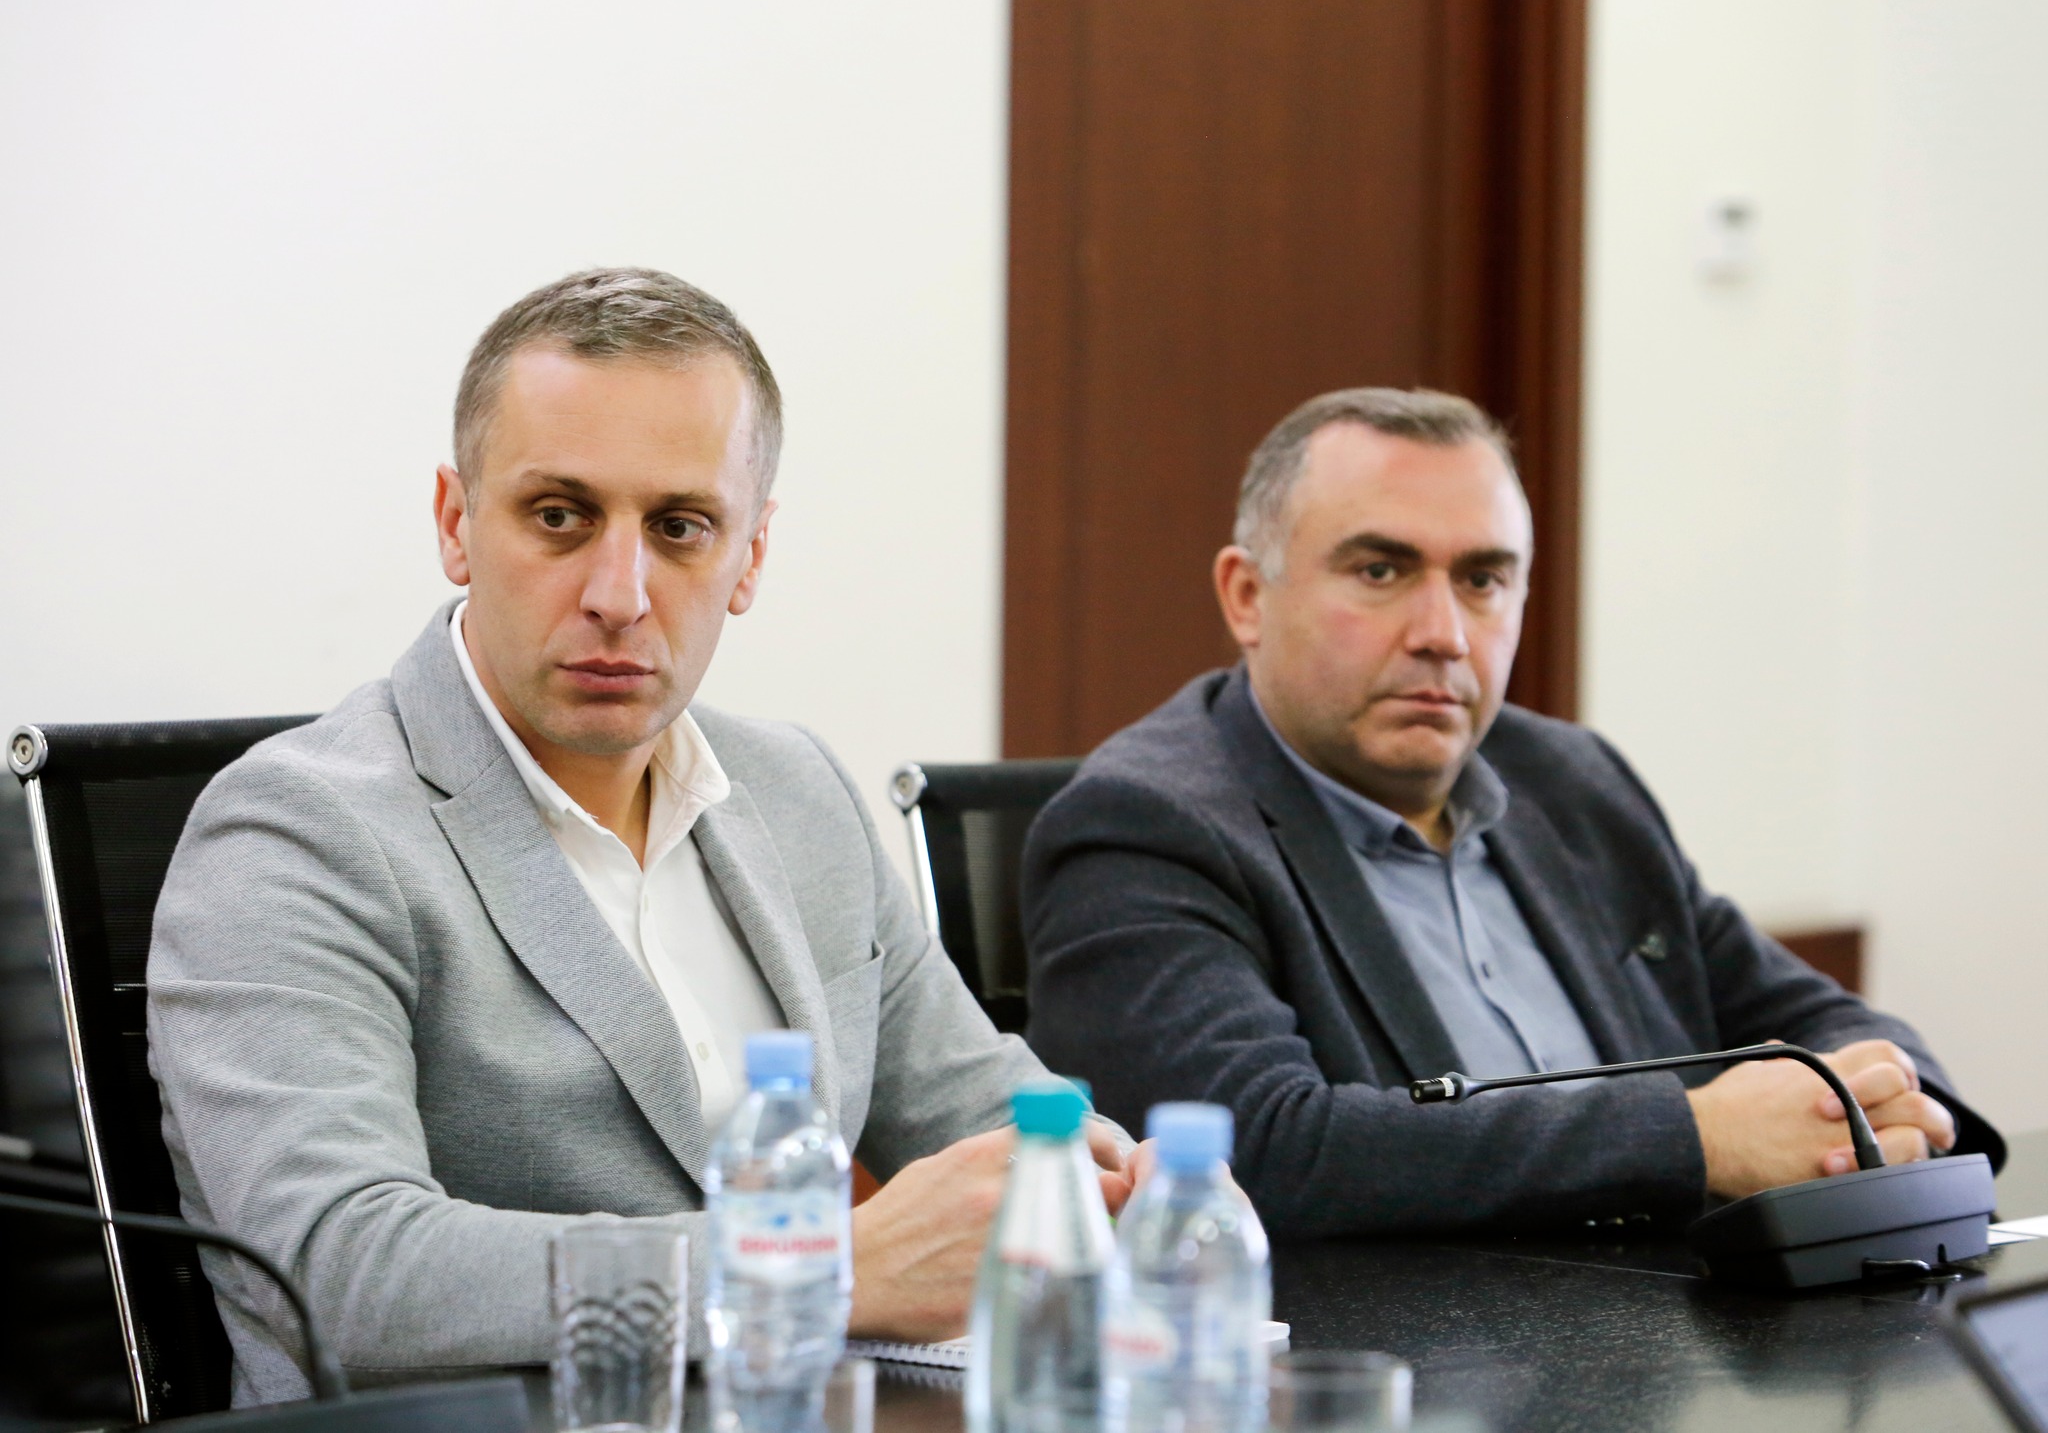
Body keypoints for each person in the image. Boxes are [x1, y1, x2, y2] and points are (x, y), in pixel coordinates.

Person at [148, 268, 1137, 1405]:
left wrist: (1120, 1187)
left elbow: (990, 1113)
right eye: (558, 516)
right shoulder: (294, 832)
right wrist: (815, 1270)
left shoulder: (798, 790)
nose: (618, 593)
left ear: (749, 557)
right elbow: (344, 1276)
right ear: (456, 524)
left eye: (680, 528)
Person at [1020, 386, 2001, 1239]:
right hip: (1407, 1360)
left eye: (1482, 580)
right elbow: (1263, 1151)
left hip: (1683, 1321)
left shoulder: (1568, 779)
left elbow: (1798, 1011)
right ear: (1246, 596)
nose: (1443, 634)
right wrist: (1693, 1138)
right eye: (1380, 571)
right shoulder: (1142, 827)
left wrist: (1896, 1103)